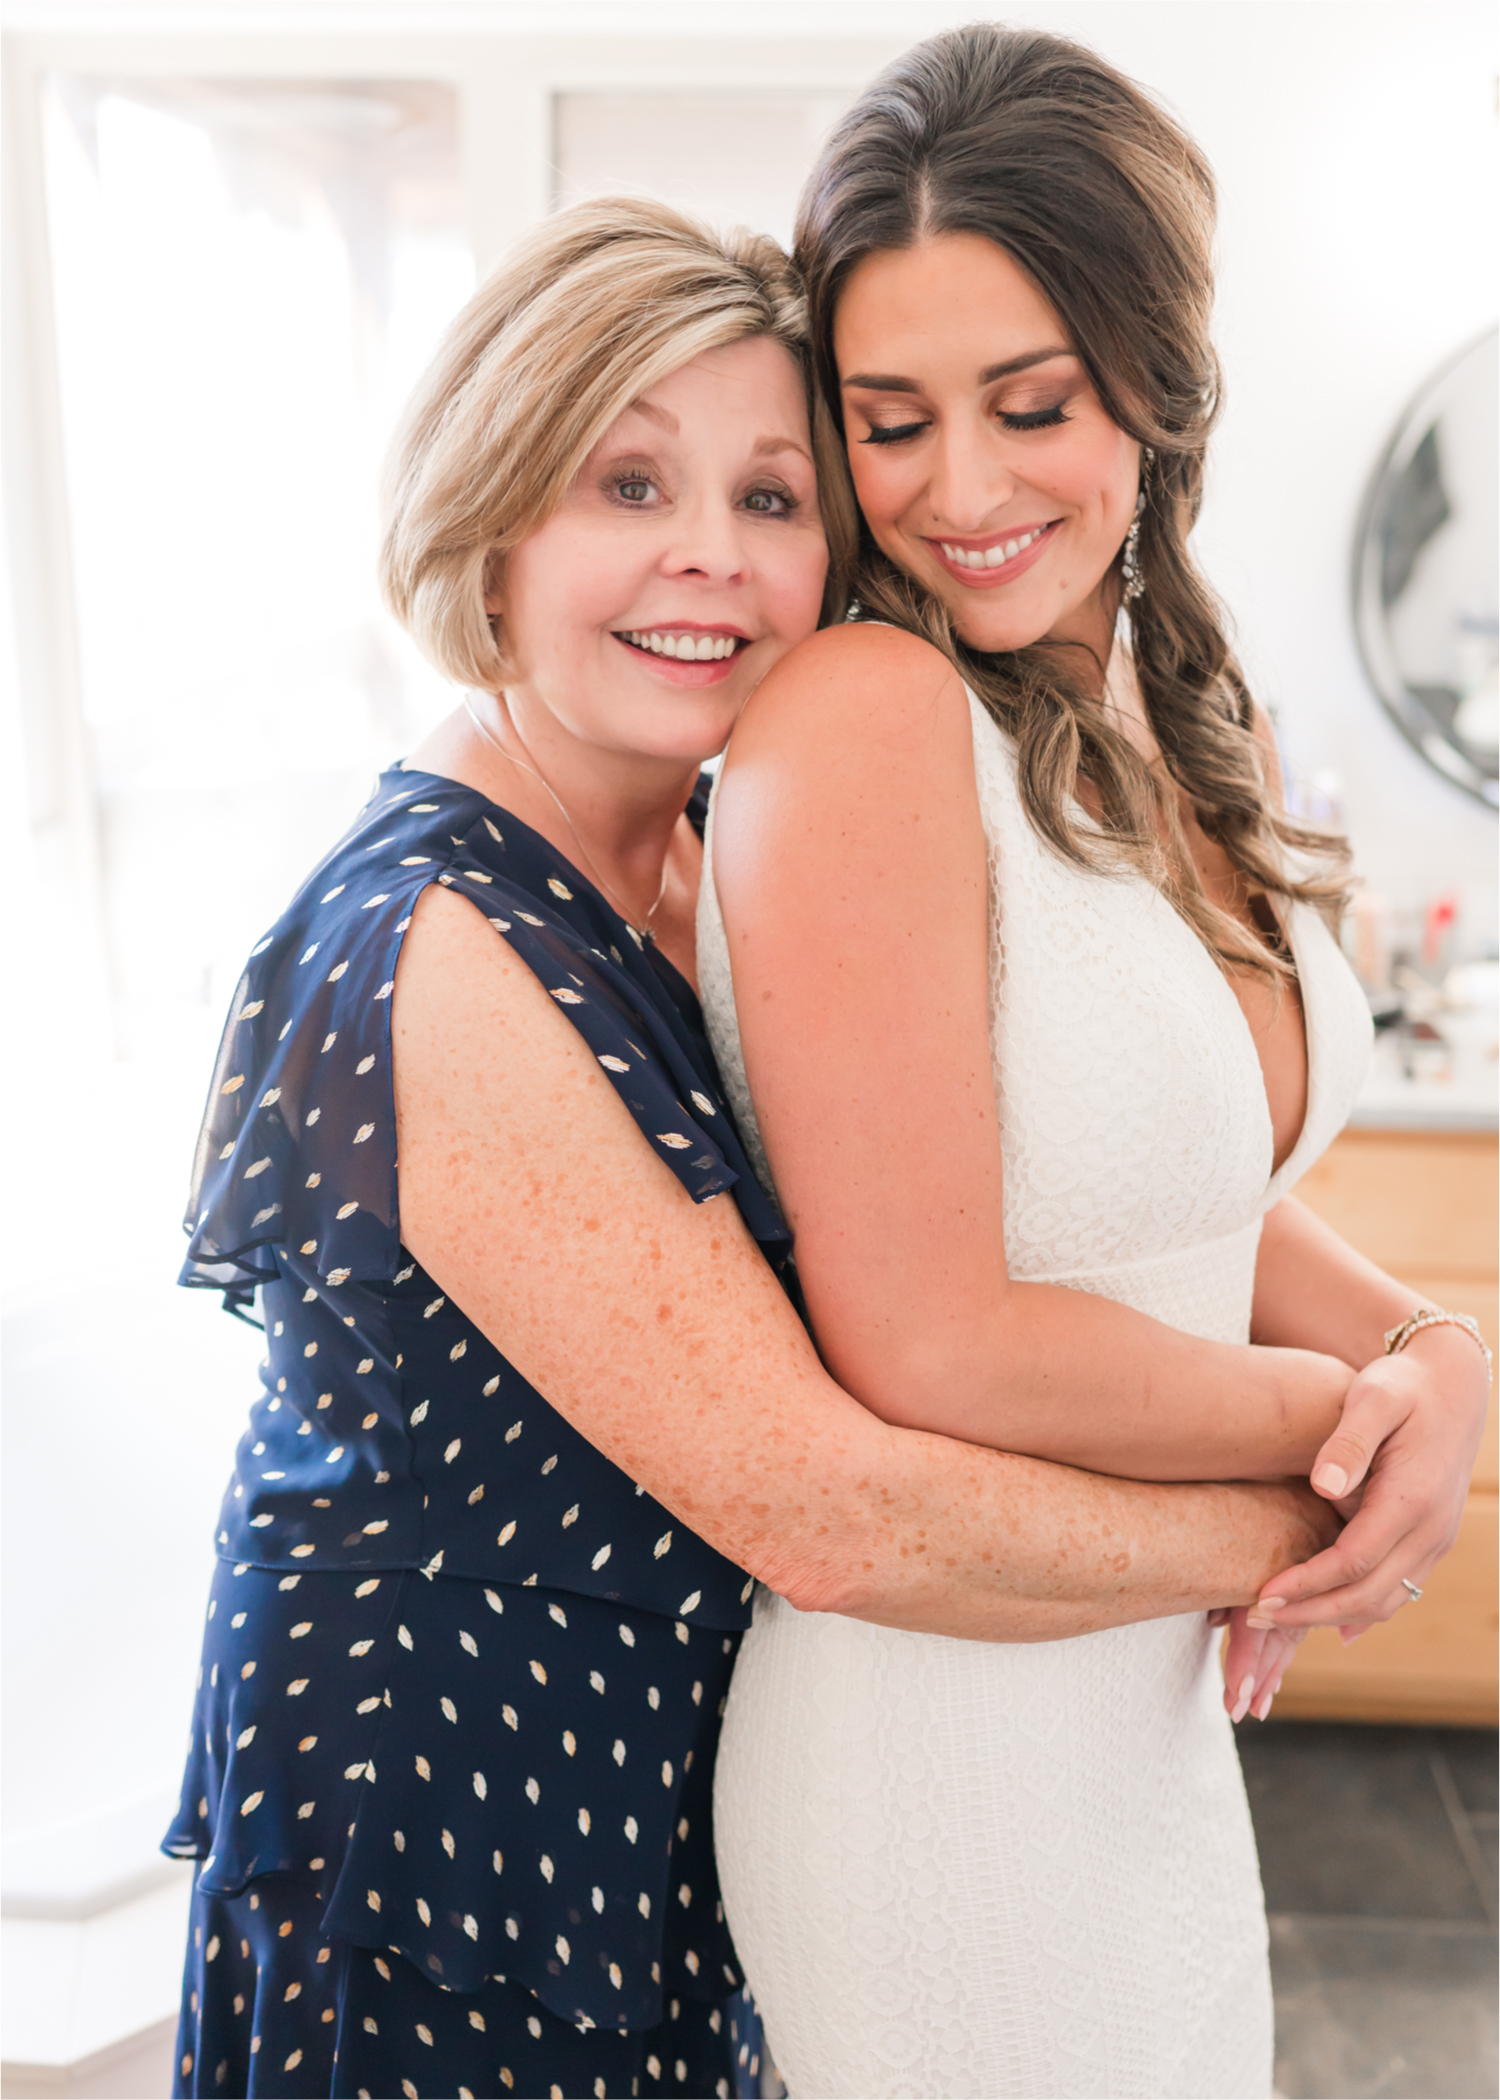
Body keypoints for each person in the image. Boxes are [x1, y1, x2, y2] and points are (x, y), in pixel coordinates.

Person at [162, 196, 1343, 2100]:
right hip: (449, 1849)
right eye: (628, 484)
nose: (708, 552)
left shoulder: (697, 858)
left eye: (773, 496)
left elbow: (1024, 1170)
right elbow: (829, 1512)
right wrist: (1295, 1528)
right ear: (491, 521)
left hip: (643, 1821)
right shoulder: (426, 944)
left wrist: (1404, 1356)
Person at [699, 26, 1492, 2099]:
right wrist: (1352, 1424)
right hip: (934, 1747)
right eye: (890, 422)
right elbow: (931, 1337)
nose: (961, 492)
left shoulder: (1160, 707)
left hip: (1137, 1733)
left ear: (1159, 379)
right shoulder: (863, 717)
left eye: (1032, 404)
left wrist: (1431, 1342)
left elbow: (1175, 1195)